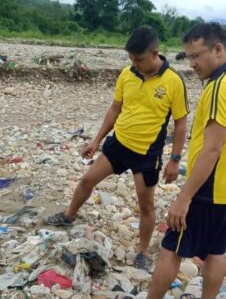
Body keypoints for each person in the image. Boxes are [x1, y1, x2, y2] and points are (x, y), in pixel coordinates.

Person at [44, 26, 188, 271]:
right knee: (87, 180)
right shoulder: (126, 74)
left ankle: (142, 251)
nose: (134, 64)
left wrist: (175, 158)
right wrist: (96, 140)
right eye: (131, 58)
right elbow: (115, 109)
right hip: (119, 144)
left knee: (146, 205)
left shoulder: (173, 81)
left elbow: (181, 121)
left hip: (147, 153)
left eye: (139, 59)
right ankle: (68, 216)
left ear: (155, 53)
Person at [114, 23, 226, 299]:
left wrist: (184, 196)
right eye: (188, 57)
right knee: (218, 250)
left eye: (196, 56)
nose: (192, 64)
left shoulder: (219, 87)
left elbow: (213, 148)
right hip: (224, 191)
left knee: (171, 248)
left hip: (207, 187)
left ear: (218, 49)